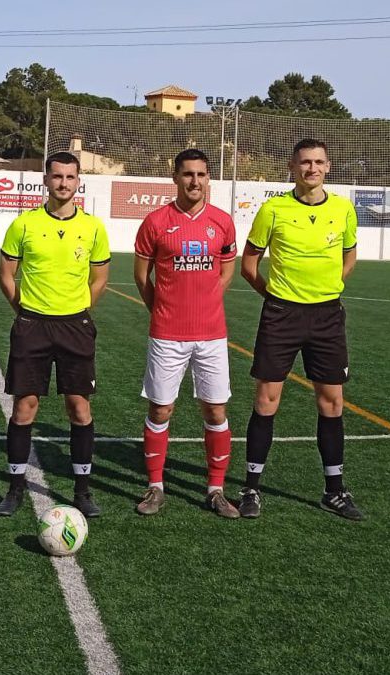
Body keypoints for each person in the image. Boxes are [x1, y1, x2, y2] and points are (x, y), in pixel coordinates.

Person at [238, 138, 363, 520]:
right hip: (281, 315)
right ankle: (251, 489)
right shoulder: (273, 209)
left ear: (328, 167)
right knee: (266, 401)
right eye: (305, 162)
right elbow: (249, 264)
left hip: (327, 317)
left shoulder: (343, 210)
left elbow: (350, 255)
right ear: (292, 167)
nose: (312, 169)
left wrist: (327, 289)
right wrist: (275, 296)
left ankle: (335, 490)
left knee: (332, 402)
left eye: (319, 162)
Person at [0, 151, 110, 518]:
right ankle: (14, 488)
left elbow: (100, 277)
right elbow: (6, 276)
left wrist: (79, 312)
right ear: (45, 180)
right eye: (57, 176)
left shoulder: (92, 227)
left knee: (79, 407)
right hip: (33, 326)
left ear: (78, 182)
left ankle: (82, 490)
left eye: (70, 177)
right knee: (24, 407)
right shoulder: (23, 224)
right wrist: (27, 312)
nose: (63, 183)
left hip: (75, 326)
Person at [132, 149, 239, 518]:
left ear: (209, 178)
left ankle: (216, 489)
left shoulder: (222, 222)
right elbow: (141, 276)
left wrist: (207, 300)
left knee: (215, 409)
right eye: (188, 174)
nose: (195, 181)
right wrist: (162, 309)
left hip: (211, 334)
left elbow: (226, 272)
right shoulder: (156, 222)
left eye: (202, 174)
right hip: (167, 334)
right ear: (175, 177)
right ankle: (155, 487)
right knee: (161, 409)